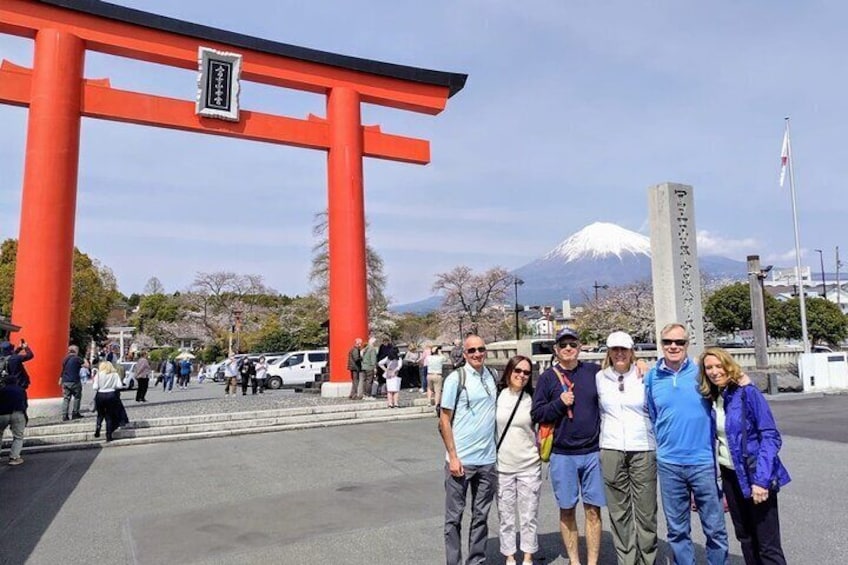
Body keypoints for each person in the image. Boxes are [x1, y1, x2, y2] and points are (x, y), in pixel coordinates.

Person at [644, 323, 728, 565]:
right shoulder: (652, 377)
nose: (673, 346)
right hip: (669, 463)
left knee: (715, 528)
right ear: (661, 345)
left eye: (679, 342)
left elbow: (726, 388)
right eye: (668, 342)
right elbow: (653, 413)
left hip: (702, 462)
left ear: (687, 345)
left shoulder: (702, 373)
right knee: (677, 530)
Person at [699, 347, 790, 565]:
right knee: (746, 538)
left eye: (718, 366)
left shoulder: (747, 392)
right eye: (709, 367)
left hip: (755, 473)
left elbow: (770, 436)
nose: (714, 371)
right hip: (730, 475)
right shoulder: (715, 396)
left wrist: (761, 480)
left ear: (728, 365)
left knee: (767, 544)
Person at [531, 327, 605, 565]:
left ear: (580, 347)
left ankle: (592, 561)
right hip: (562, 453)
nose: (568, 349)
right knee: (567, 509)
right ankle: (574, 561)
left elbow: (620, 374)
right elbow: (537, 412)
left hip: (592, 451)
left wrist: (642, 366)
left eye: (572, 344)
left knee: (593, 510)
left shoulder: (594, 372)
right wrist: (559, 404)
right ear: (556, 350)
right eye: (563, 345)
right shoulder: (547, 378)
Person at [595, 331, 657, 565]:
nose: (619, 354)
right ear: (609, 353)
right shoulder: (600, 377)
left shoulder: (645, 376)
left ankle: (647, 559)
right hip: (611, 446)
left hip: (643, 447)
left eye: (624, 349)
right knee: (619, 512)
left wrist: (644, 365)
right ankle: (627, 559)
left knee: (646, 511)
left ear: (632, 352)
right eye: (614, 349)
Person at [438, 334, 498, 565]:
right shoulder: (456, 378)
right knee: (454, 518)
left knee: (481, 515)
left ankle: (476, 560)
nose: (477, 354)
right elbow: (445, 419)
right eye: (471, 350)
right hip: (461, 459)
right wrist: (453, 456)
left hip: (488, 459)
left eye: (480, 349)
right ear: (464, 354)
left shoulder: (492, 376)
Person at [495, 355, 541, 565]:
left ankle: (528, 555)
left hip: (529, 464)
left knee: (528, 514)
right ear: (509, 371)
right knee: (506, 515)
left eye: (526, 372)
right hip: (503, 465)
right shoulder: (497, 395)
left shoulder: (532, 398)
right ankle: (509, 555)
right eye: (517, 371)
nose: (521, 375)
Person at [0, 355, 27, 465]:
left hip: (2, 414)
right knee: (18, 436)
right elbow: (25, 403)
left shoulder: (2, 390)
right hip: (18, 413)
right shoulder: (21, 390)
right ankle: (14, 458)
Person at [92, 360, 127, 442]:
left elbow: (95, 387)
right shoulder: (115, 375)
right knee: (109, 416)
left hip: (100, 395)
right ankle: (108, 435)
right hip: (111, 394)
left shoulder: (98, 375)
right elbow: (119, 385)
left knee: (100, 414)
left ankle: (98, 427)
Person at [59, 344, 86, 420]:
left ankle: (65, 415)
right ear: (76, 351)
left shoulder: (65, 359)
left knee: (66, 398)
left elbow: (63, 370)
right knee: (77, 397)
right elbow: (86, 365)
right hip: (75, 381)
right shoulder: (77, 358)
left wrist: (61, 379)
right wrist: (84, 359)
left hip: (65, 381)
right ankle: (75, 413)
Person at [427, 345, 446, 412]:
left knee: (429, 388)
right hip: (437, 375)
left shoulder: (428, 357)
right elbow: (445, 359)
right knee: (437, 391)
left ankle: (429, 401)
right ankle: (436, 405)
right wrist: (440, 353)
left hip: (429, 374)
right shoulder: (440, 358)